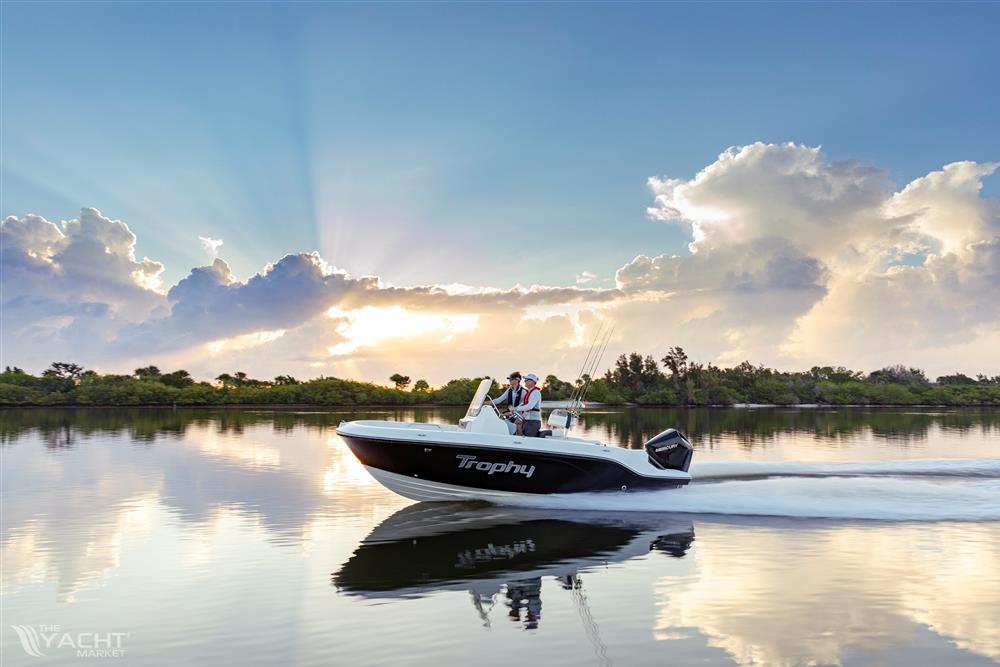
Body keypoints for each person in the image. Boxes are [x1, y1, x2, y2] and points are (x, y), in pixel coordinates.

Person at [511, 373, 543, 437]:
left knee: (528, 440)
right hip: (527, 420)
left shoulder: (535, 392)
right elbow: (522, 405)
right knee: (517, 425)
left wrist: (515, 409)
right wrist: (513, 410)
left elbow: (529, 406)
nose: (524, 381)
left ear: (532, 382)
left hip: (533, 422)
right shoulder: (529, 392)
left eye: (526, 380)